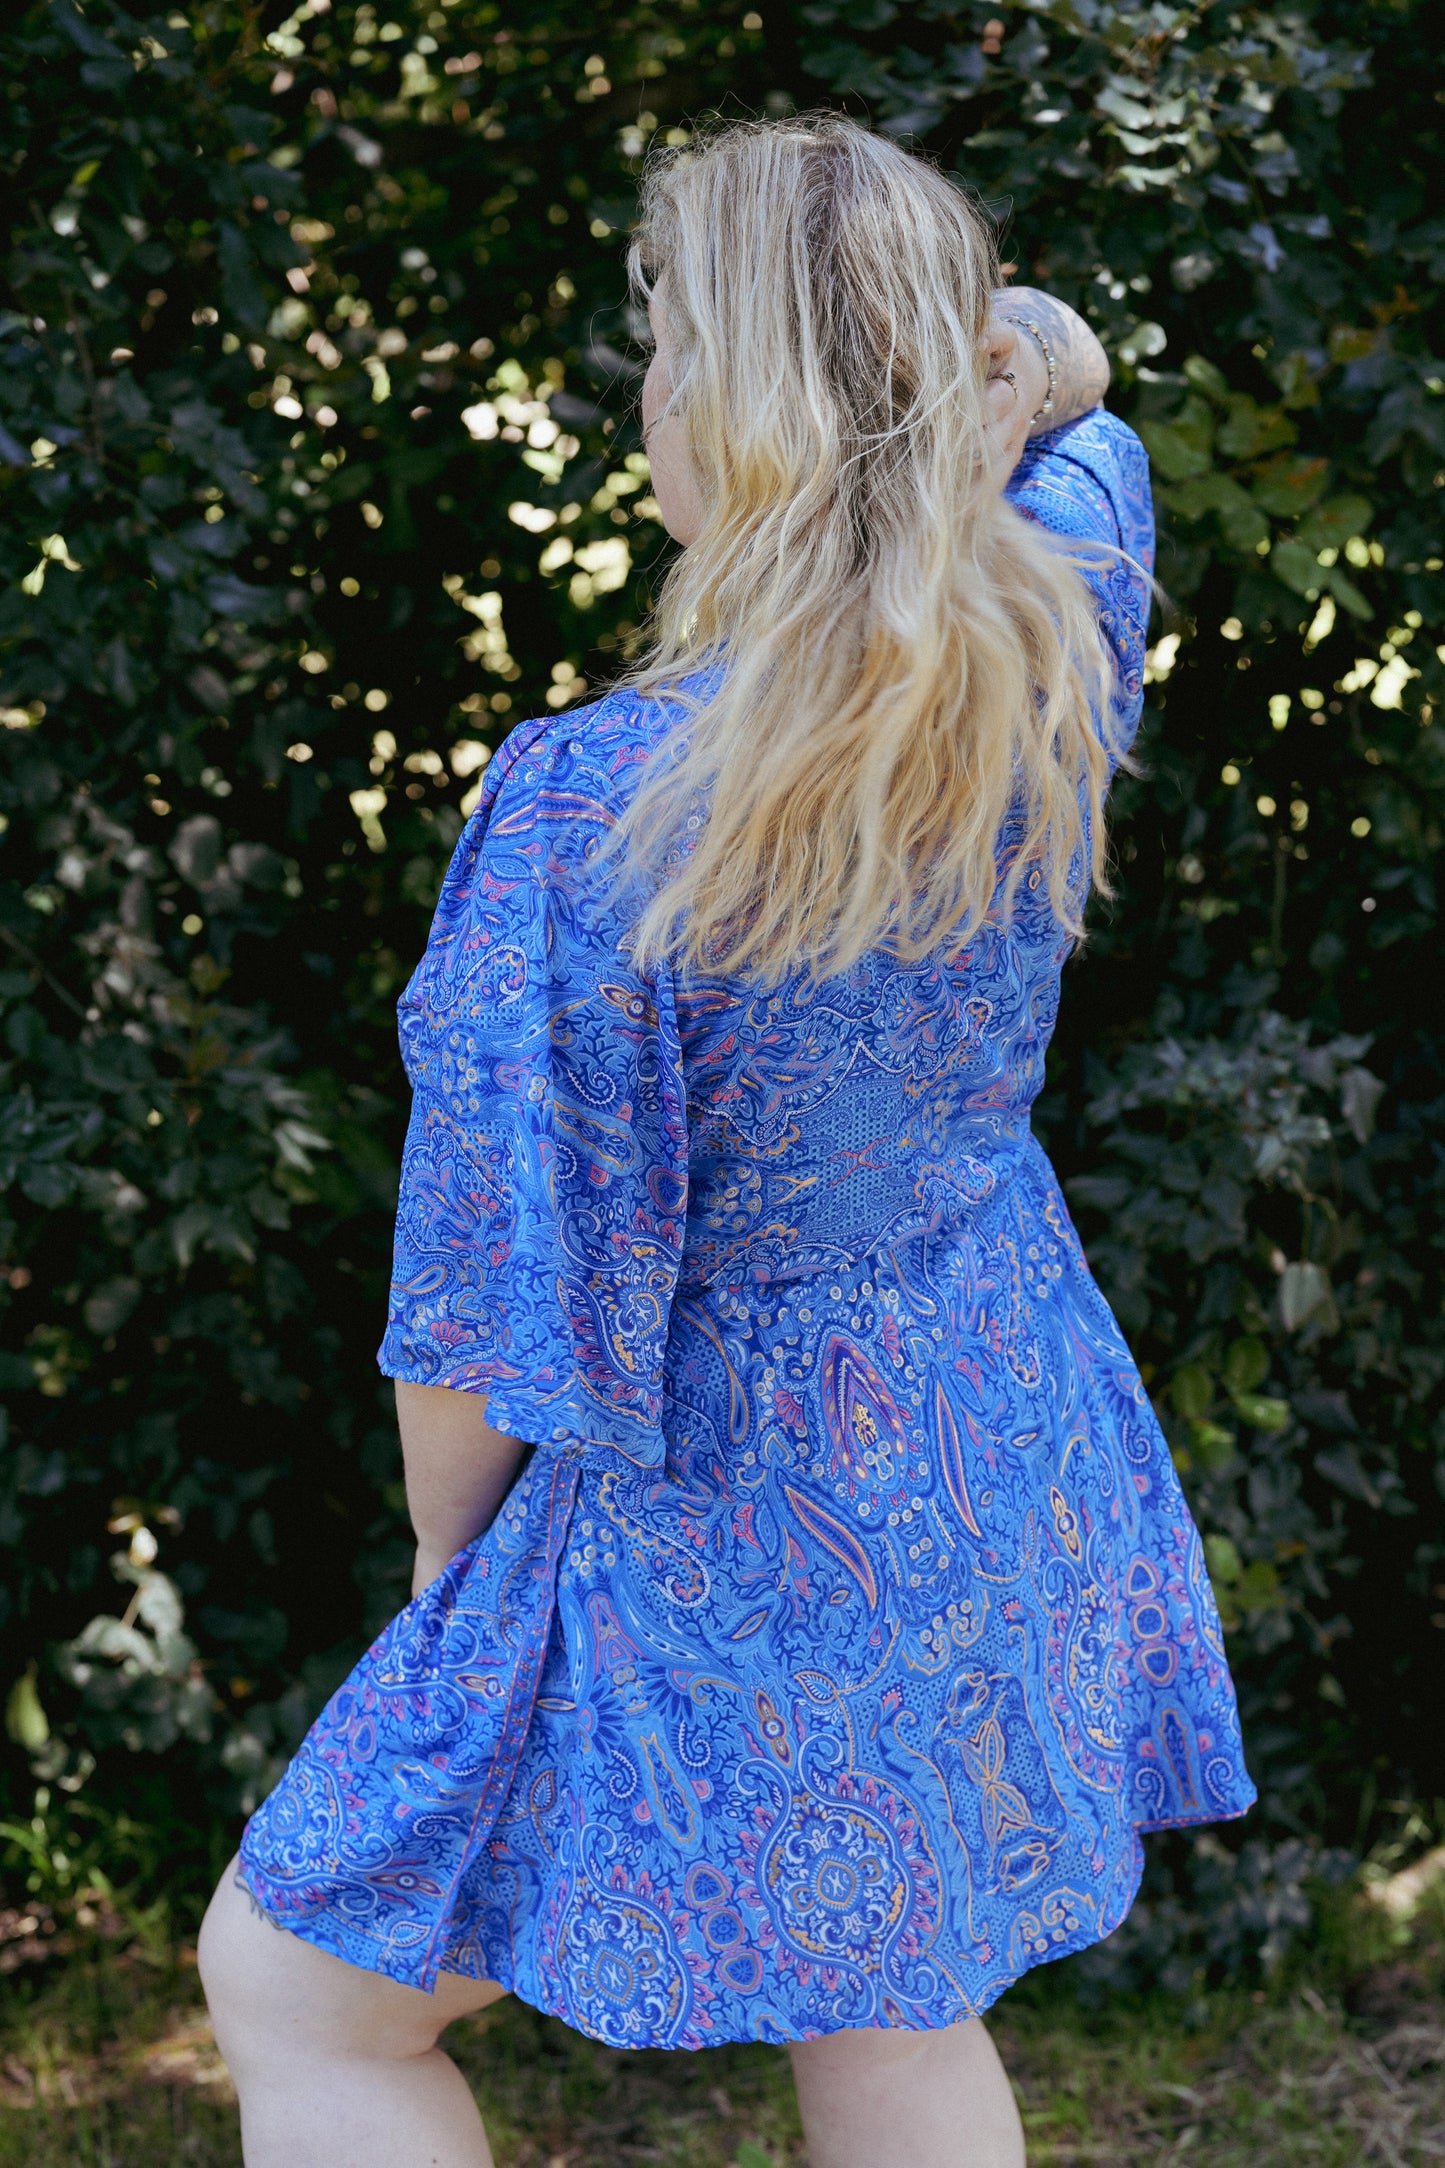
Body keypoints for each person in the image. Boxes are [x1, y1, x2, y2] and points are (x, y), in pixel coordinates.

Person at [198, 114, 1254, 2168]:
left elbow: (496, 1289)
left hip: (713, 1487)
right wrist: (977, 363)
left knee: (293, 1983)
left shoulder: (597, 807)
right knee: (892, 2001)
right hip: (972, 1430)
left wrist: (450, 1584)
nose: (648, 389)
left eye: (671, 340)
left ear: (741, 406)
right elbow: (1077, 372)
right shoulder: (1062, 615)